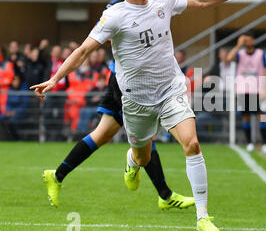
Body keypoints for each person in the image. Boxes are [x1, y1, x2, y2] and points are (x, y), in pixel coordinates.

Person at [31, 0, 263, 231]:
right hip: (136, 101)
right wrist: (56, 78)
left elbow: (200, 1)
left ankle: (202, 216)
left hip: (170, 90)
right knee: (142, 156)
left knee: (191, 143)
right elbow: (83, 51)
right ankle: (133, 160)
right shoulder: (114, 16)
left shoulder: (161, 1)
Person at [42, 59, 195, 210]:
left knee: (102, 135)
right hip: (124, 81)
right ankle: (164, 195)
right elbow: (90, 48)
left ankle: (56, 176)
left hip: (131, 78)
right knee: (144, 137)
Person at [227, 31, 266, 153]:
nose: (247, 42)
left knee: (263, 116)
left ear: (253, 41)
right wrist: (238, 45)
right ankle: (249, 143)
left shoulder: (260, 54)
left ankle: (265, 143)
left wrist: (264, 88)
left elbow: (265, 70)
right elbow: (229, 58)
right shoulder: (240, 54)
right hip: (243, 89)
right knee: (246, 117)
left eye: (249, 40)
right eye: (245, 40)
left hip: (257, 89)